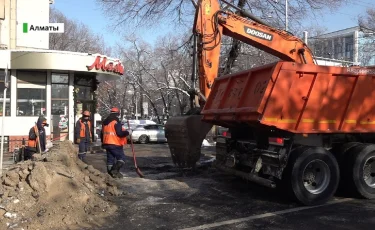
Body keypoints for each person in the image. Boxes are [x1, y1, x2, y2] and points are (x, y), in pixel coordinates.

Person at [101, 107, 131, 178]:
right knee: (121, 158)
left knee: (110, 160)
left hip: (107, 143)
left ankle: (110, 175)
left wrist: (103, 142)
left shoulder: (105, 122)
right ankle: (114, 171)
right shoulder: (115, 122)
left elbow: (102, 134)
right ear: (118, 114)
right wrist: (128, 132)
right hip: (115, 143)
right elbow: (119, 133)